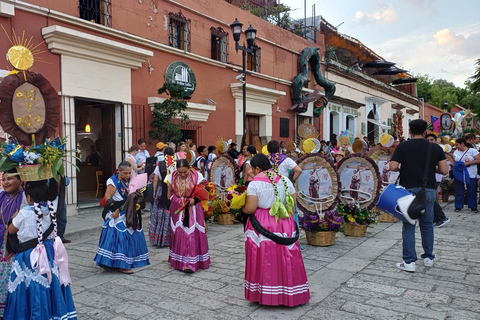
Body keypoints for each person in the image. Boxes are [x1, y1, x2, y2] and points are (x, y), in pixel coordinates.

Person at [242, 154, 310, 306]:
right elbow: (292, 202)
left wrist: (241, 206)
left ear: (257, 168)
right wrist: (287, 219)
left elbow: (251, 207)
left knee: (265, 256)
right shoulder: (285, 180)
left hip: (262, 222)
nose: (251, 171)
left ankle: (266, 292)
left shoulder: (255, 184)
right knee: (285, 256)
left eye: (252, 168)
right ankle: (289, 292)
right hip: (284, 220)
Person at [5, 178, 76, 319]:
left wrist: (13, 219)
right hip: (49, 252)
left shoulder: (24, 213)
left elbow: (12, 231)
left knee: (31, 283)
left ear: (29, 197)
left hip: (28, 254)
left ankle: (29, 313)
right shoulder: (50, 210)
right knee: (49, 281)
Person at [390, 119, 448, 272]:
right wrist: (429, 169)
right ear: (425, 132)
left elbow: (393, 166)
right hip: (428, 189)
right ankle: (428, 257)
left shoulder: (403, 146)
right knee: (427, 224)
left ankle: (409, 261)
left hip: (408, 190)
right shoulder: (434, 148)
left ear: (409, 131)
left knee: (409, 224)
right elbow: (444, 170)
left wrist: (406, 166)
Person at [94, 161, 150, 274]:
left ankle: (132, 260)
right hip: (117, 212)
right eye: (125, 173)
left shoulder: (130, 180)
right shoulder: (113, 182)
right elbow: (107, 197)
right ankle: (121, 264)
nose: (128, 175)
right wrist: (115, 209)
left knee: (133, 233)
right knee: (121, 236)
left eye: (129, 173)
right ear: (119, 171)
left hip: (128, 211)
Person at [167, 159, 210, 273]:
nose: (182, 174)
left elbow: (203, 191)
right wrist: (170, 203)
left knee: (190, 233)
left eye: (184, 172)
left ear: (189, 168)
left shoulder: (197, 176)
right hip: (177, 206)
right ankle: (178, 260)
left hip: (192, 207)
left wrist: (194, 200)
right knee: (179, 233)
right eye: (180, 172)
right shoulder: (172, 176)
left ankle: (190, 263)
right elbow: (170, 190)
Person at [0, 169, 28, 317]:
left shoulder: (24, 197)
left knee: (13, 278)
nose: (6, 183)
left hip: (15, 245)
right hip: (1, 243)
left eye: (10, 179)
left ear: (20, 180)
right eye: (4, 180)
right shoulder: (2, 196)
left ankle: (12, 309)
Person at [149, 148, 173, 247]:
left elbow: (155, 179)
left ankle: (158, 238)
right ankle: (170, 238)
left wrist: (154, 191)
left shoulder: (160, 164)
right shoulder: (176, 164)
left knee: (159, 214)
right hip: (172, 192)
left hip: (161, 191)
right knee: (170, 213)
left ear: (164, 155)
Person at [425, 134, 450, 227]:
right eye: (428, 140)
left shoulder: (438, 149)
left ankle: (441, 217)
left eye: (432, 139)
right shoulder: (426, 149)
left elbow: (443, 167)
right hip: (428, 176)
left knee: (431, 199)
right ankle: (436, 217)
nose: (430, 141)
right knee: (430, 198)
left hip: (436, 176)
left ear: (436, 140)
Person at [453, 138, 480, 213]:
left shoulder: (473, 151)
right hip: (460, 173)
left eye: (457, 145)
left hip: (471, 173)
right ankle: (458, 206)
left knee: (471, 190)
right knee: (459, 190)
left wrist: (467, 163)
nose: (456, 146)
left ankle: (473, 206)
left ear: (462, 144)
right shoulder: (456, 152)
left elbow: (478, 160)